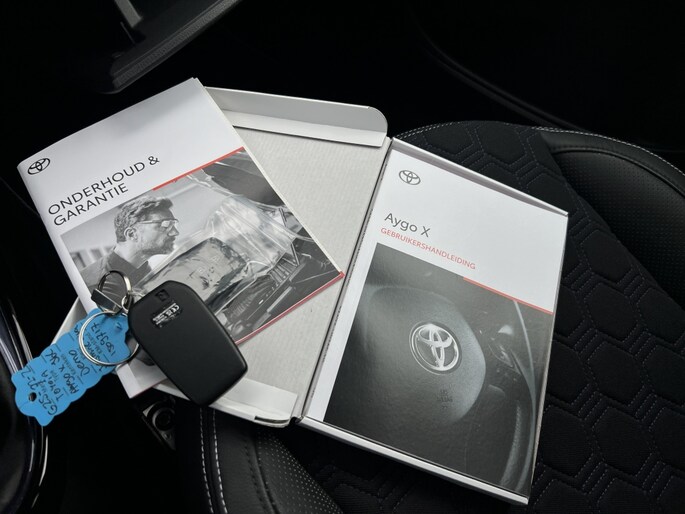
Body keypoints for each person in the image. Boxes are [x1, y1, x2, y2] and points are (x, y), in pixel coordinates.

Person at [80, 195, 180, 295]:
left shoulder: (143, 269)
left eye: (173, 225)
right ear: (132, 234)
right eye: (165, 225)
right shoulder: (100, 286)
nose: (175, 232)